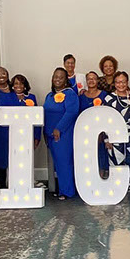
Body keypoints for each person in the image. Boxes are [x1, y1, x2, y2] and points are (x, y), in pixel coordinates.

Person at [104, 71, 130, 193]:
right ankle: (117, 185)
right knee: (116, 160)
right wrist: (106, 139)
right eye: (118, 82)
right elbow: (105, 120)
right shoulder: (108, 99)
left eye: (123, 82)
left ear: (127, 82)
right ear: (114, 83)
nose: (121, 84)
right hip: (114, 136)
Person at [44, 68, 79, 200]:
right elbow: (45, 114)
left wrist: (59, 128)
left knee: (64, 162)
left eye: (61, 77)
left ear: (66, 80)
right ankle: (61, 189)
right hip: (50, 134)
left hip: (63, 134)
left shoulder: (70, 94)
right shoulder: (49, 95)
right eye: (55, 76)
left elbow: (71, 112)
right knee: (57, 163)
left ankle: (67, 191)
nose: (57, 79)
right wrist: (45, 132)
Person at [78, 71, 110, 178]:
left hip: (101, 131)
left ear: (97, 81)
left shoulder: (104, 95)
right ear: (86, 81)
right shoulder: (81, 97)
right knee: (89, 156)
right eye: (89, 79)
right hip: (86, 132)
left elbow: (107, 114)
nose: (91, 81)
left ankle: (102, 175)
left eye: (94, 78)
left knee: (101, 155)